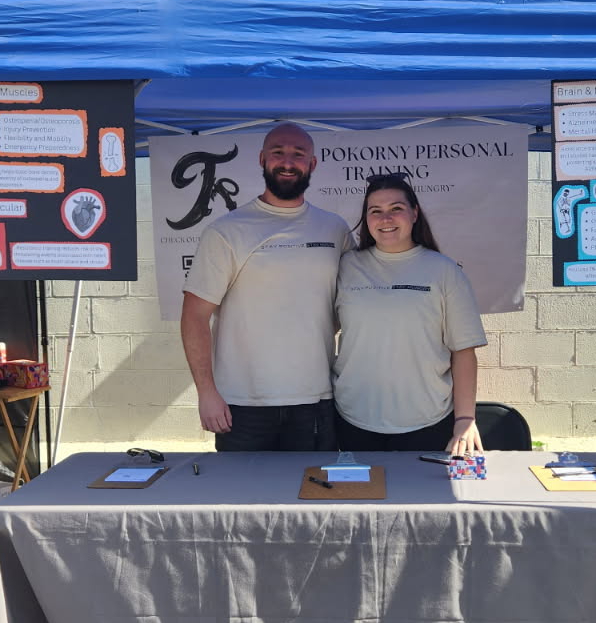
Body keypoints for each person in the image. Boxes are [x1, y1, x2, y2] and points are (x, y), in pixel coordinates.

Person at [181, 123, 353, 451]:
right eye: (277, 153)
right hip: (243, 404)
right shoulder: (226, 231)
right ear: (262, 159)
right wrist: (206, 393)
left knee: (312, 486)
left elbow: (351, 304)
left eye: (298, 154)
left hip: (315, 399)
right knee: (243, 487)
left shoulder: (335, 229)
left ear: (312, 164)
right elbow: (194, 316)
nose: (287, 162)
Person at [332, 173, 488, 455]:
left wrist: (465, 419)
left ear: (414, 213)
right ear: (366, 219)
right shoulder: (346, 267)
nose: (385, 218)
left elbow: (464, 350)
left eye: (396, 208)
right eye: (375, 211)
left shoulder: (444, 271)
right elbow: (320, 329)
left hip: (427, 422)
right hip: (352, 419)